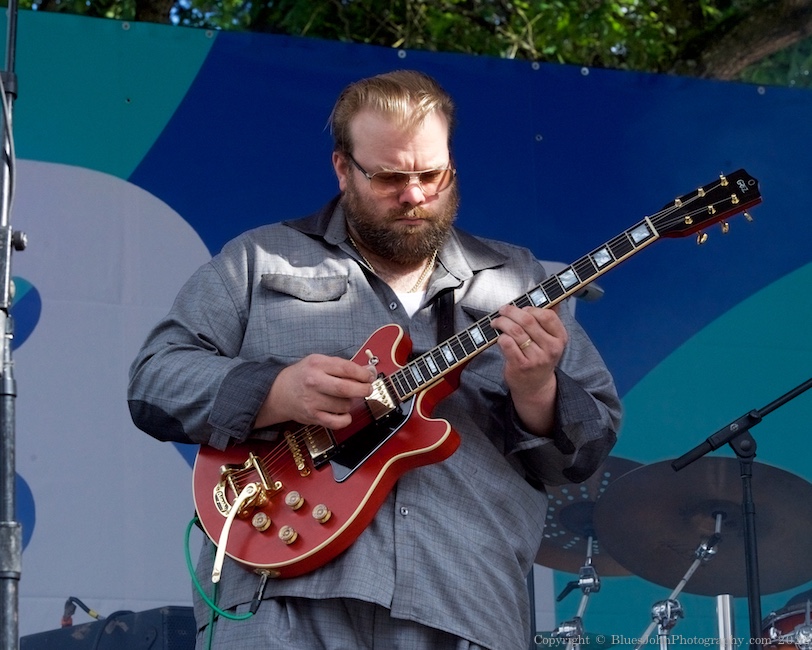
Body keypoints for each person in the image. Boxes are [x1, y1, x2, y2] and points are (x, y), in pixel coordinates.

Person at [128, 69, 622, 650]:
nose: (414, 195)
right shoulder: (259, 259)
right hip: (281, 597)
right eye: (389, 177)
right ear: (344, 169)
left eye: (431, 174)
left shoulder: (522, 280)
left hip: (463, 603)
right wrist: (277, 390)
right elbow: (154, 378)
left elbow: (588, 448)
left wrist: (537, 390)